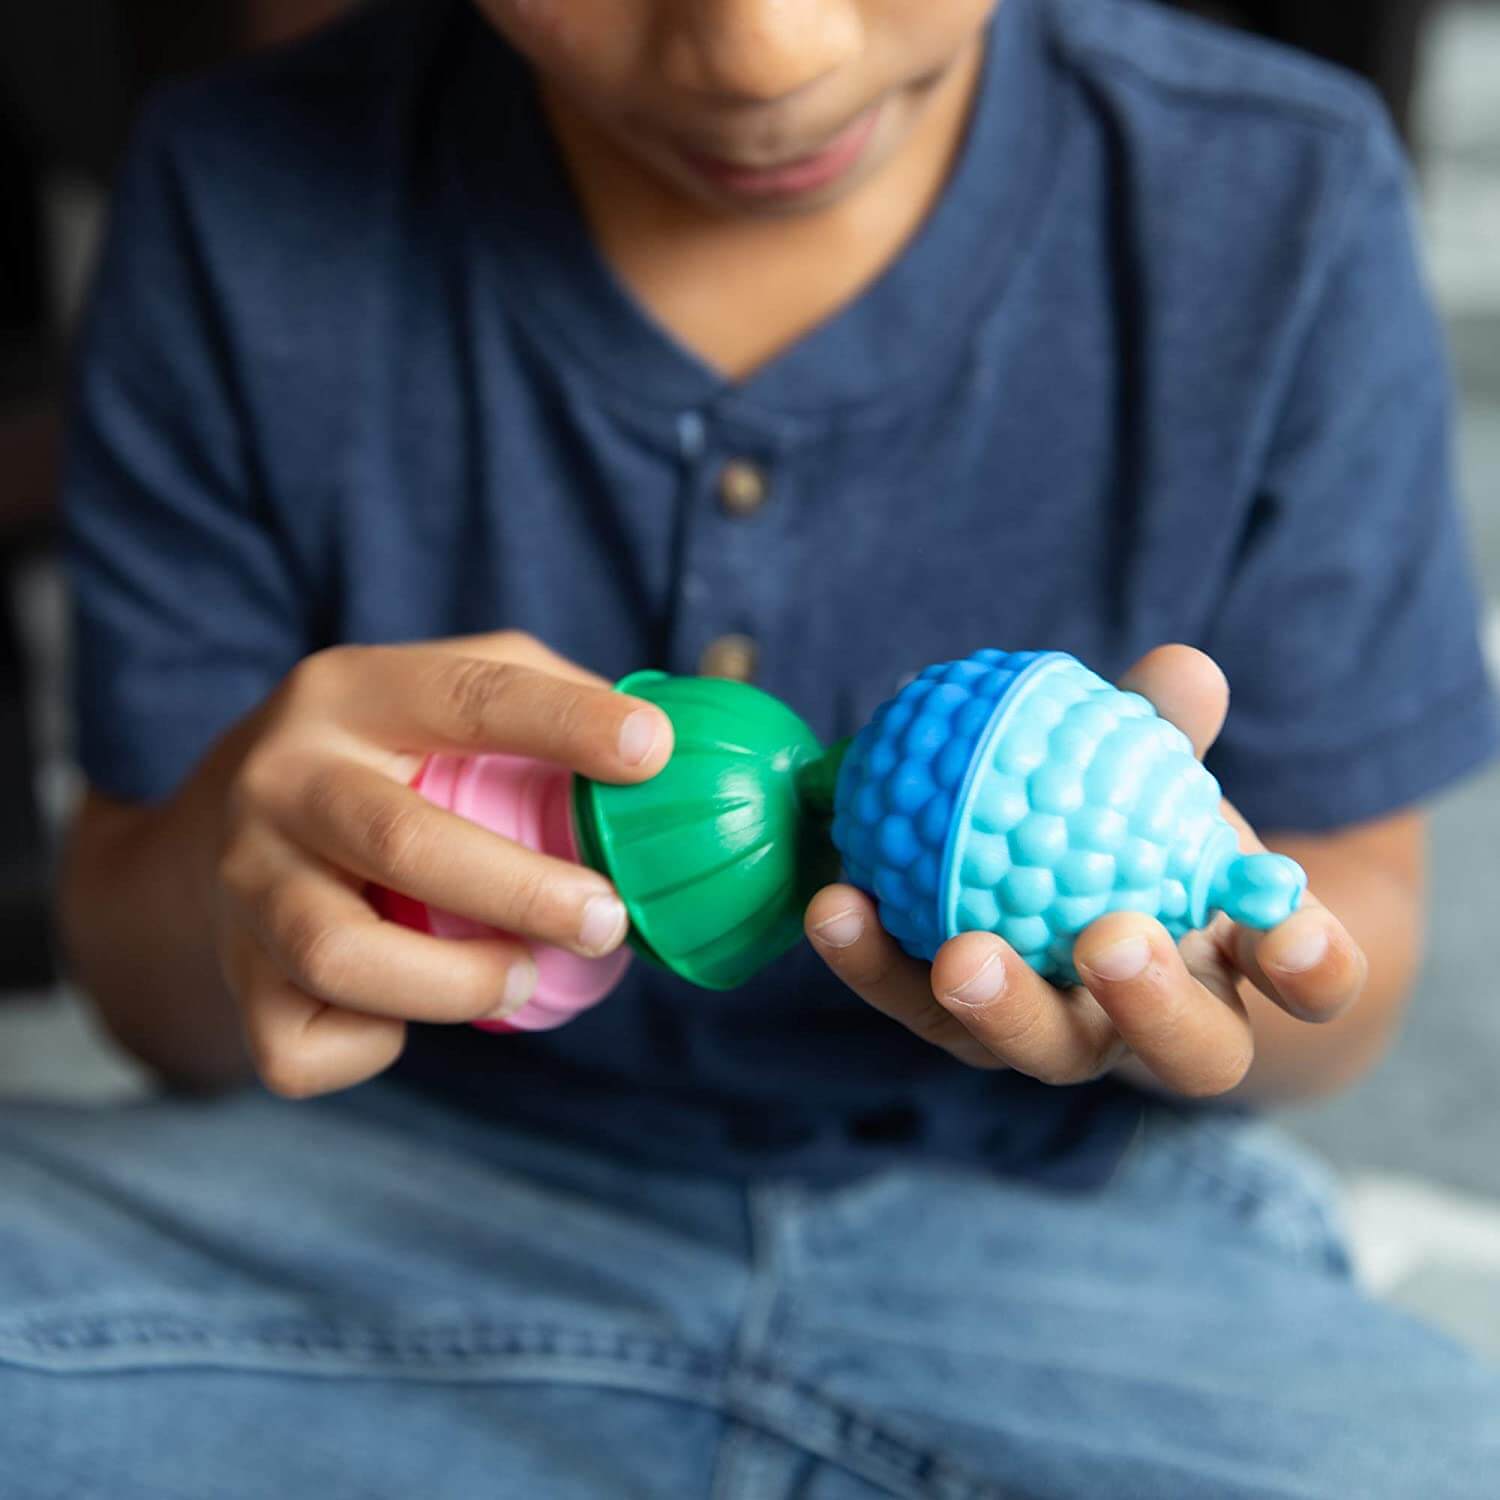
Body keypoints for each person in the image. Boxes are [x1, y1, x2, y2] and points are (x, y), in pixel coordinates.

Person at [4, 0, 1498, 1493]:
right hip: (384, 1205)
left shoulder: (1281, 195)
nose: (760, 53)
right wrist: (242, 862)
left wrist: (1238, 959)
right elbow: (147, 983)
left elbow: (1347, 937)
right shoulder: (236, 188)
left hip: (1062, 1238)